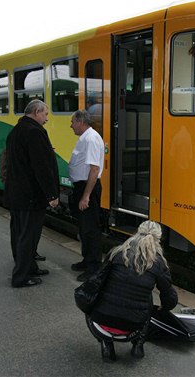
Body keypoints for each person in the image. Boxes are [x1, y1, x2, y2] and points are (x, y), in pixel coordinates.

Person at [86, 221, 178, 362]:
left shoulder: (116, 253)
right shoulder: (158, 263)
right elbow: (170, 298)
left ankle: (106, 345)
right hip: (132, 329)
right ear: (158, 239)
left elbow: (96, 280)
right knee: (147, 298)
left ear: (136, 233)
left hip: (101, 324)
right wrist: (164, 307)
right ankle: (138, 344)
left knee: (92, 298)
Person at [3, 99, 59, 288]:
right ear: (36, 112)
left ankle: (29, 267)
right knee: (28, 236)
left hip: (16, 194)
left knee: (19, 233)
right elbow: (40, 167)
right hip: (30, 196)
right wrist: (51, 194)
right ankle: (21, 277)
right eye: (45, 114)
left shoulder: (15, 131)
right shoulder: (34, 132)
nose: (47, 119)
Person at [68, 109, 105, 281]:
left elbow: (94, 169)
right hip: (82, 186)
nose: (71, 126)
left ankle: (94, 267)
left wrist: (86, 196)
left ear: (81, 122)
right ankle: (87, 260)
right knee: (84, 227)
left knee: (90, 229)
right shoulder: (85, 138)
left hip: (87, 187)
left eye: (72, 122)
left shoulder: (90, 139)